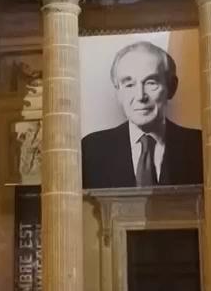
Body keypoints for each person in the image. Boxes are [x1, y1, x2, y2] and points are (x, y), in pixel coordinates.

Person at [80, 40, 203, 187]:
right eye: (129, 84)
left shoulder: (200, 147)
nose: (140, 96)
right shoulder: (92, 150)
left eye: (151, 83)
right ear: (118, 92)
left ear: (171, 87)